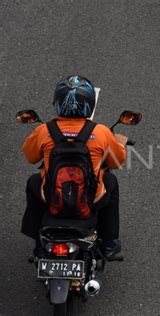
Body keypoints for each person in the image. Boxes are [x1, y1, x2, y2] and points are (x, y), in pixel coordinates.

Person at [21, 75, 128, 258]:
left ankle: (38, 244)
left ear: (57, 102)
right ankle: (109, 243)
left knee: (33, 181)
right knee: (111, 180)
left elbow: (31, 157)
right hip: (89, 198)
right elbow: (117, 162)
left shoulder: (44, 131)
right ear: (89, 104)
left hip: (52, 197)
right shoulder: (100, 132)